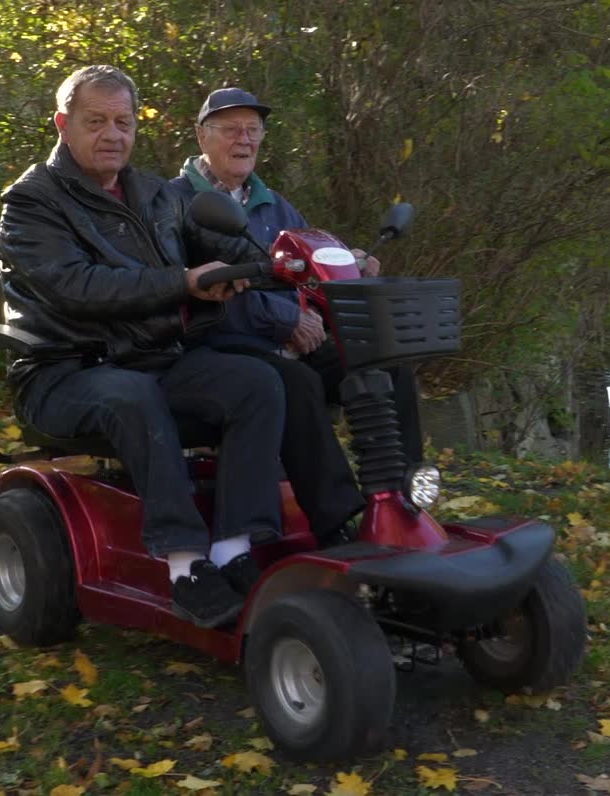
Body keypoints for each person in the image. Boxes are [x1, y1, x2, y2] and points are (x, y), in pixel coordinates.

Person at [0, 66, 284, 629]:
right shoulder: (31, 203)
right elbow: (77, 287)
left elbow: (222, 243)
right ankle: (185, 565)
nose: (112, 134)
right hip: (63, 371)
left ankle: (233, 548)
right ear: (62, 124)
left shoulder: (155, 194)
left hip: (150, 360)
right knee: (132, 397)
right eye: (96, 121)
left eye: (123, 122)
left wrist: (280, 261)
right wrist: (183, 282)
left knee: (257, 383)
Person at [170, 87, 423, 547]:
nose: (245, 139)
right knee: (297, 382)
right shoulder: (176, 202)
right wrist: (285, 321)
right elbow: (213, 286)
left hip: (288, 340)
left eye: (253, 129)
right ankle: (336, 523)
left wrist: (348, 266)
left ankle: (405, 497)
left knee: (385, 364)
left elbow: (307, 269)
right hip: (220, 346)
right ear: (202, 136)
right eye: (231, 129)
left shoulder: (274, 204)